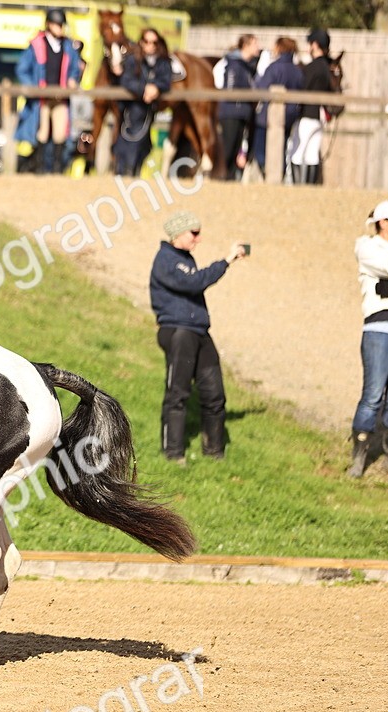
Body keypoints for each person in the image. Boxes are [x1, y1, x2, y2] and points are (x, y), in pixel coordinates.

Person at [149, 211, 248, 463]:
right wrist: (227, 260)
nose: (199, 238)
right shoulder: (166, 259)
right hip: (179, 333)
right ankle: (173, 455)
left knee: (215, 394)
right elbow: (195, 282)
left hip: (199, 332)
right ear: (177, 234)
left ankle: (215, 453)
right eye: (194, 233)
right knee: (178, 394)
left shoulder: (184, 258)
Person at [349, 200, 388, 477]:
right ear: (382, 222)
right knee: (372, 396)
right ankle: (358, 459)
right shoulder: (367, 246)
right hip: (379, 327)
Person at [16, 8, 83, 175]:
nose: (60, 28)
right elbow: (22, 69)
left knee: (61, 133)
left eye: (61, 25)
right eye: (57, 24)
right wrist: (34, 87)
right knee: (42, 131)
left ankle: (57, 169)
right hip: (42, 98)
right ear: (49, 25)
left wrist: (73, 80)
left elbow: (75, 68)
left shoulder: (68, 46)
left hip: (61, 96)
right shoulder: (36, 45)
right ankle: (39, 168)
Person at [114, 28, 171, 178]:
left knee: (144, 144)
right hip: (133, 108)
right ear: (141, 42)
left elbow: (166, 80)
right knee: (129, 139)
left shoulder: (162, 61)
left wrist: (156, 88)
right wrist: (144, 89)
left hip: (149, 109)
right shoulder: (133, 60)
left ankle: (134, 172)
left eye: (154, 42)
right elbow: (126, 80)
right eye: (147, 41)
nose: (150, 45)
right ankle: (125, 172)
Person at [251, 37, 303, 180]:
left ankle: (267, 173)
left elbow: (262, 88)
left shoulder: (273, 68)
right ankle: (279, 174)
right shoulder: (297, 71)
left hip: (268, 117)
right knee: (282, 148)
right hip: (289, 116)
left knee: (260, 148)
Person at [291, 28, 334, 185]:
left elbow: (303, 88)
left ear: (315, 45)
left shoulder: (312, 67)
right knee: (312, 153)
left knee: (297, 151)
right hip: (320, 116)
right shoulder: (327, 67)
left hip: (307, 114)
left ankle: (297, 186)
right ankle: (310, 186)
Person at [215, 34, 259, 182]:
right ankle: (219, 179)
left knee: (235, 151)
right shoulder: (234, 64)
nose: (257, 47)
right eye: (254, 44)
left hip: (241, 113)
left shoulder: (247, 66)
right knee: (227, 148)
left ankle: (229, 181)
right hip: (231, 113)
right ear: (245, 45)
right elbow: (230, 89)